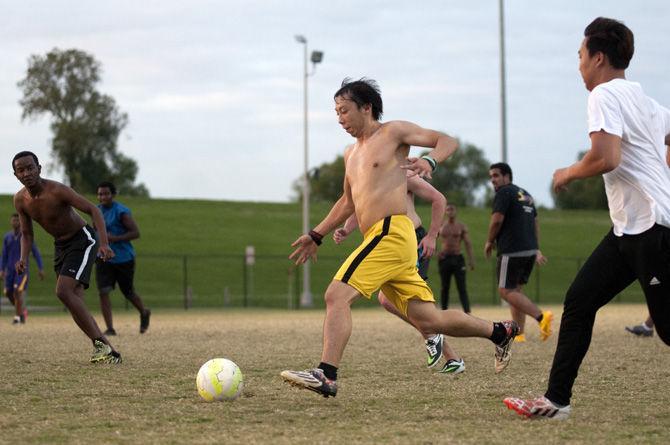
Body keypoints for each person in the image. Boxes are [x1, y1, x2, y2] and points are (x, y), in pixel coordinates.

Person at [280, 78, 518, 398]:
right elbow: (347, 203)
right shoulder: (351, 154)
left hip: (392, 231)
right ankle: (499, 332)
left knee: (336, 295)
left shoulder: (393, 132)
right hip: (382, 238)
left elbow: (446, 140)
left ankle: (326, 374)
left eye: (344, 111)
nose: (340, 119)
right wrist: (316, 234)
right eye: (336, 113)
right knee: (430, 319)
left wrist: (429, 160)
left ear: (366, 108)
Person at [504, 17, 670, 420]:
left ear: (598, 58)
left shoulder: (604, 95)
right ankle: (556, 400)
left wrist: (567, 172)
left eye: (580, 56)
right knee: (579, 301)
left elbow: (605, 157)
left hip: (652, 229)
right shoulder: (646, 102)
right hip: (628, 231)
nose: (578, 64)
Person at [334, 172, 465, 374]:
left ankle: (457, 345)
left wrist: (432, 236)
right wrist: (346, 229)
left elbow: (438, 198)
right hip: (387, 241)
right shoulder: (368, 173)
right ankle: (450, 353)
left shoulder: (402, 172)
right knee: (390, 301)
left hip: (411, 239)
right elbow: (358, 206)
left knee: (398, 301)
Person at [12, 151, 122, 363]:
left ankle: (104, 347)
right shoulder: (20, 200)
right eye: (21, 170)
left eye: (30, 168)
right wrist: (23, 258)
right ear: (16, 174)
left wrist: (105, 243)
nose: (26, 173)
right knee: (74, 301)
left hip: (83, 239)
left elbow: (93, 210)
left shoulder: (57, 191)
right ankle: (106, 350)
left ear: (39, 168)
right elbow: (26, 233)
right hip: (61, 246)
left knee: (63, 291)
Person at [485, 162, 552, 343]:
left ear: (507, 176)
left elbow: (497, 220)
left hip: (511, 249)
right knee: (516, 291)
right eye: (491, 177)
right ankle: (519, 333)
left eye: (496, 176)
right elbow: (535, 222)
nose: (493, 180)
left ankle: (541, 317)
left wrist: (490, 241)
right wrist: (536, 248)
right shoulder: (526, 195)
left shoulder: (504, 193)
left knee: (505, 291)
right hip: (529, 249)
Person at [96, 181, 151, 335]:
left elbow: (135, 233)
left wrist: (115, 238)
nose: (103, 196)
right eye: (100, 194)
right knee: (103, 291)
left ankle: (144, 312)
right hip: (103, 258)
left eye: (106, 193)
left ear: (113, 195)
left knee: (128, 292)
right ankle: (110, 328)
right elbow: (95, 232)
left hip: (123, 258)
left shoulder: (121, 212)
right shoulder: (96, 211)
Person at [1, 213, 45, 324]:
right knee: (7, 293)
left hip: (21, 271)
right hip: (9, 271)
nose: (15, 222)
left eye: (17, 220)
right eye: (13, 220)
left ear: (20, 222)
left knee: (17, 290)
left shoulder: (26, 237)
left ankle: (17, 317)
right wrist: (1, 269)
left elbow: (36, 253)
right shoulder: (7, 237)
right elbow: (4, 255)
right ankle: (21, 311)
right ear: (11, 222)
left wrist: (41, 268)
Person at [438, 204, 474, 313]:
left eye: (452, 209)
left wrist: (471, 259)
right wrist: (435, 253)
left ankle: (467, 312)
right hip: (444, 259)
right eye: (448, 209)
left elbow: (468, 243)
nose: (450, 212)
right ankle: (444, 311)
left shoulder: (461, 227)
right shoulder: (441, 226)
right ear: (445, 212)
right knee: (445, 287)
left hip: (458, 258)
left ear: (456, 211)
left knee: (462, 287)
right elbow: (431, 238)